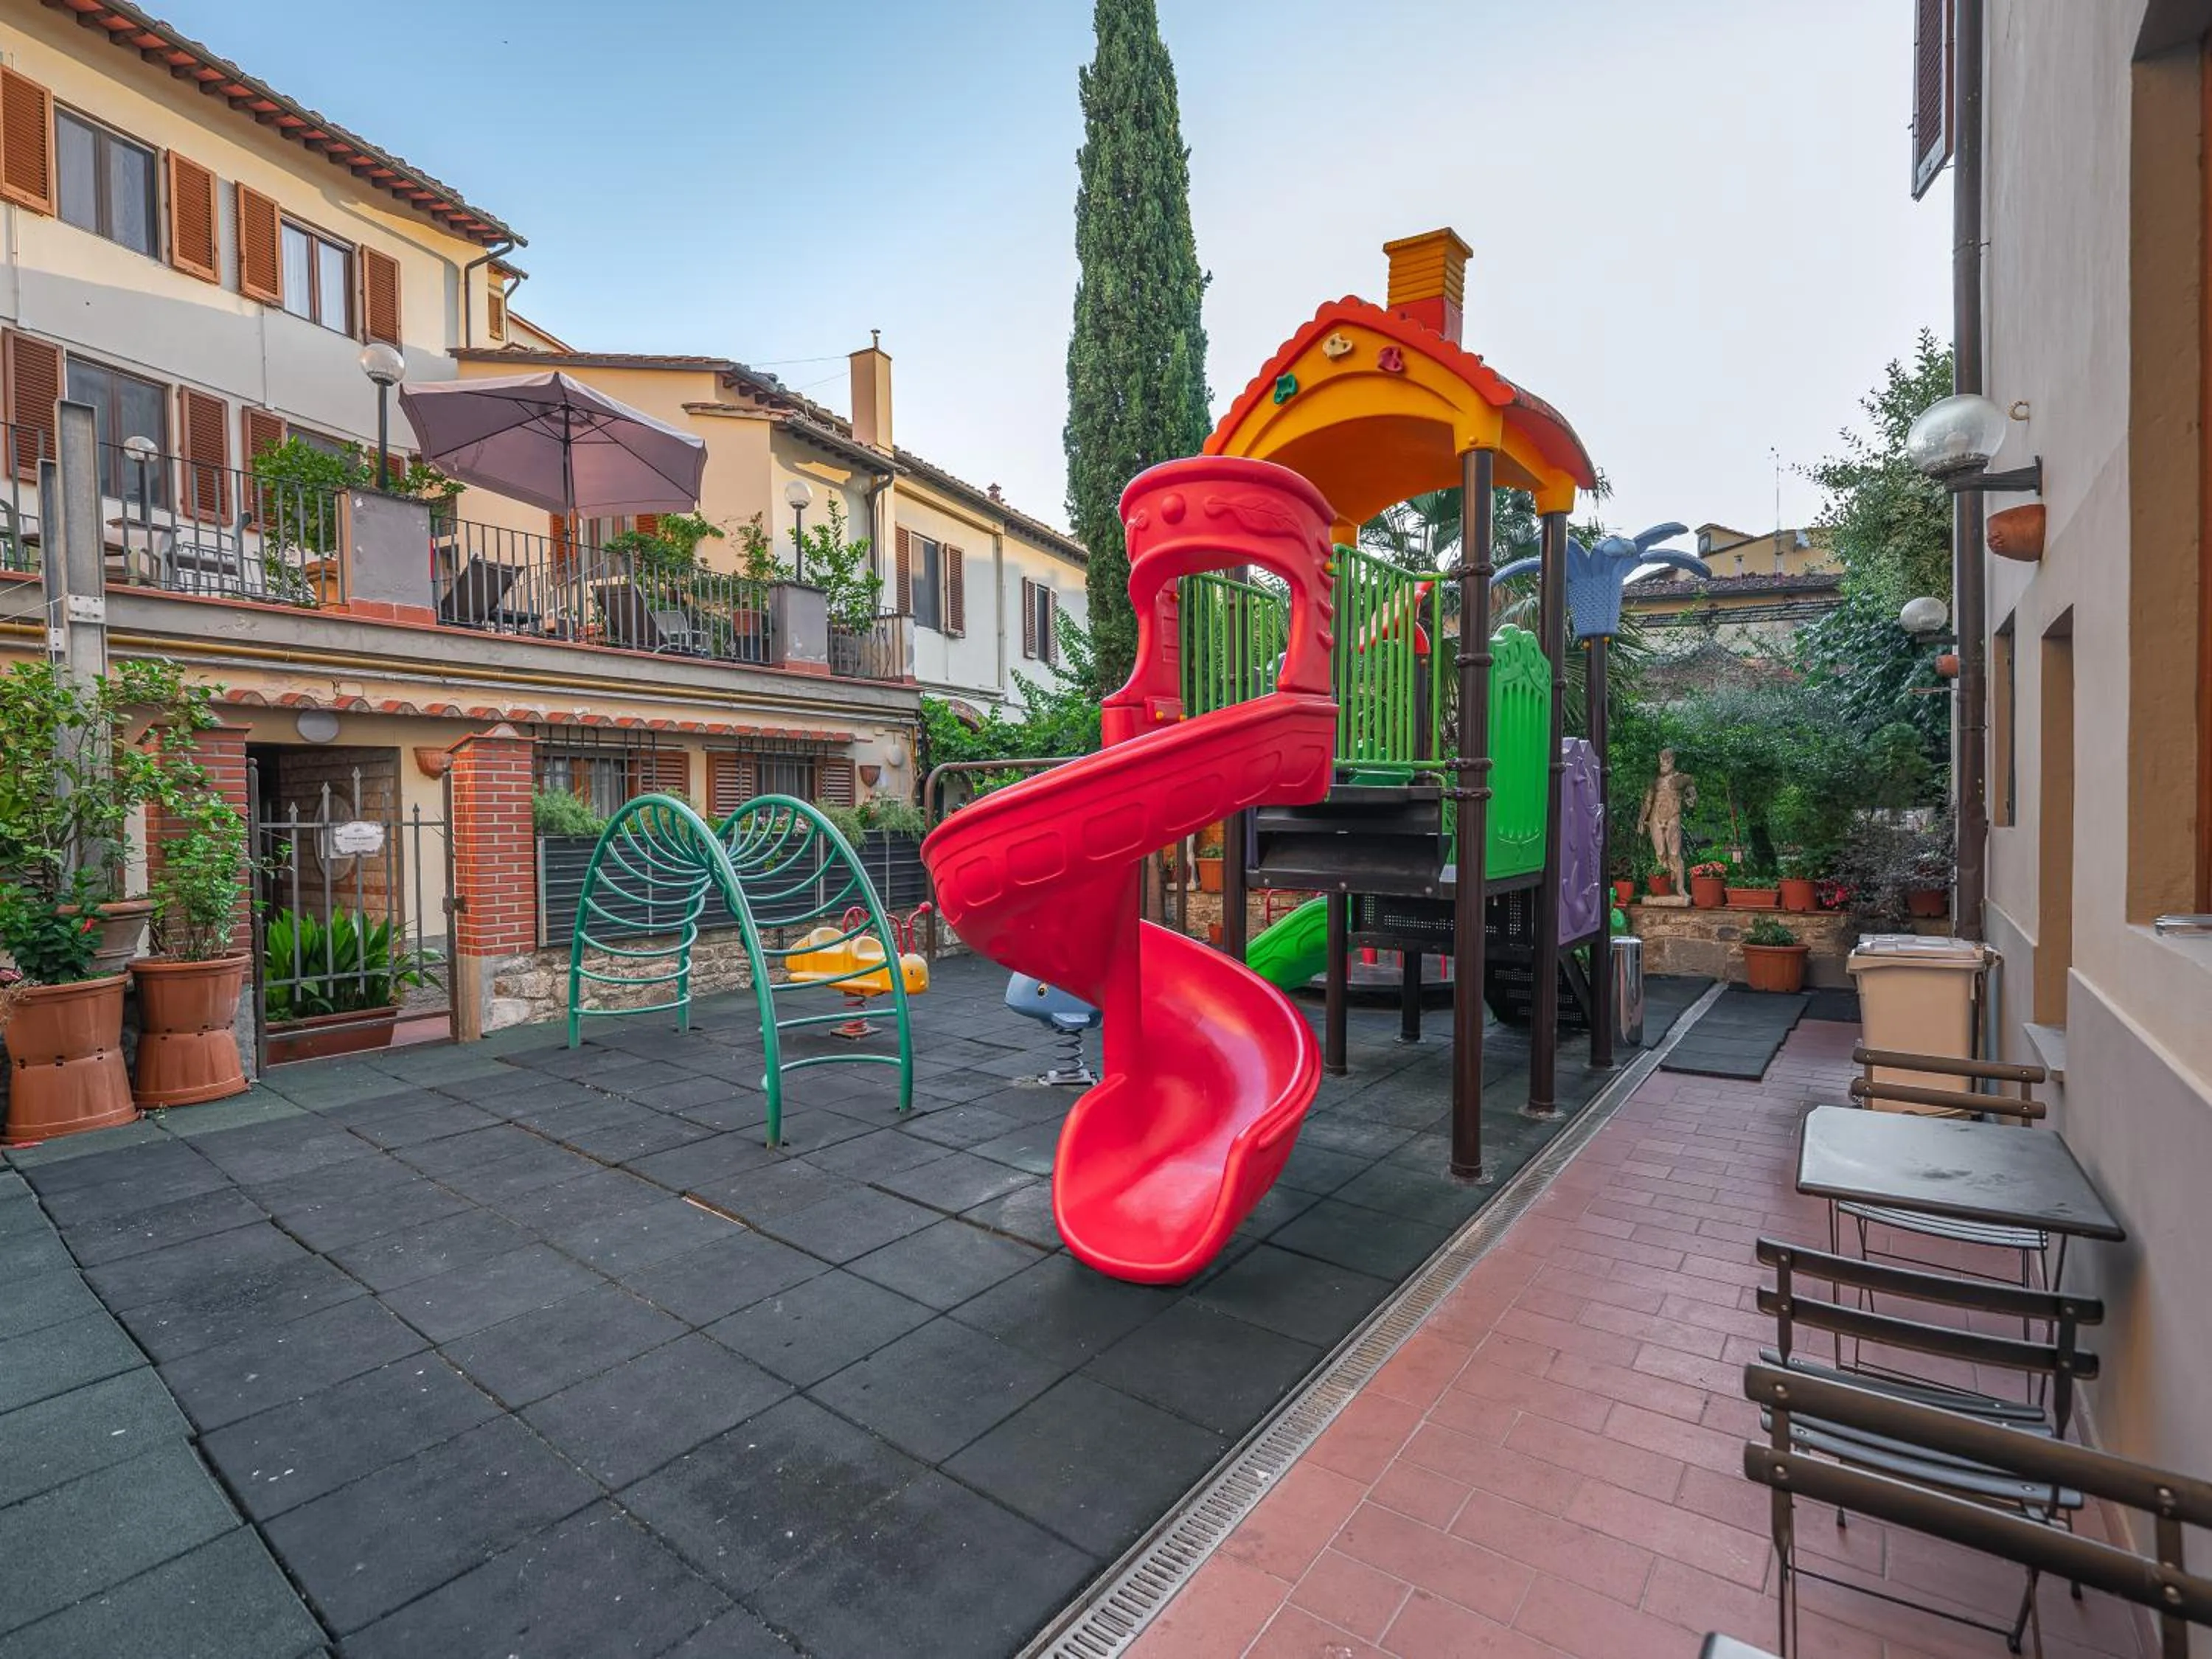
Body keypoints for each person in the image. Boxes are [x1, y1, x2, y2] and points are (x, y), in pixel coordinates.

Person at [1638, 748, 1697, 894]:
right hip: (1655, 818)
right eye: (1661, 760)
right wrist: (1641, 820)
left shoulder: (1683, 779)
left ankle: (1680, 888)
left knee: (1675, 854)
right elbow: (1648, 802)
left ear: (1673, 760)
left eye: (1667, 760)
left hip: (1673, 816)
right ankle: (1664, 889)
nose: (1663, 763)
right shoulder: (1655, 782)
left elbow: (1692, 796)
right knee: (1660, 854)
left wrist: (1691, 800)